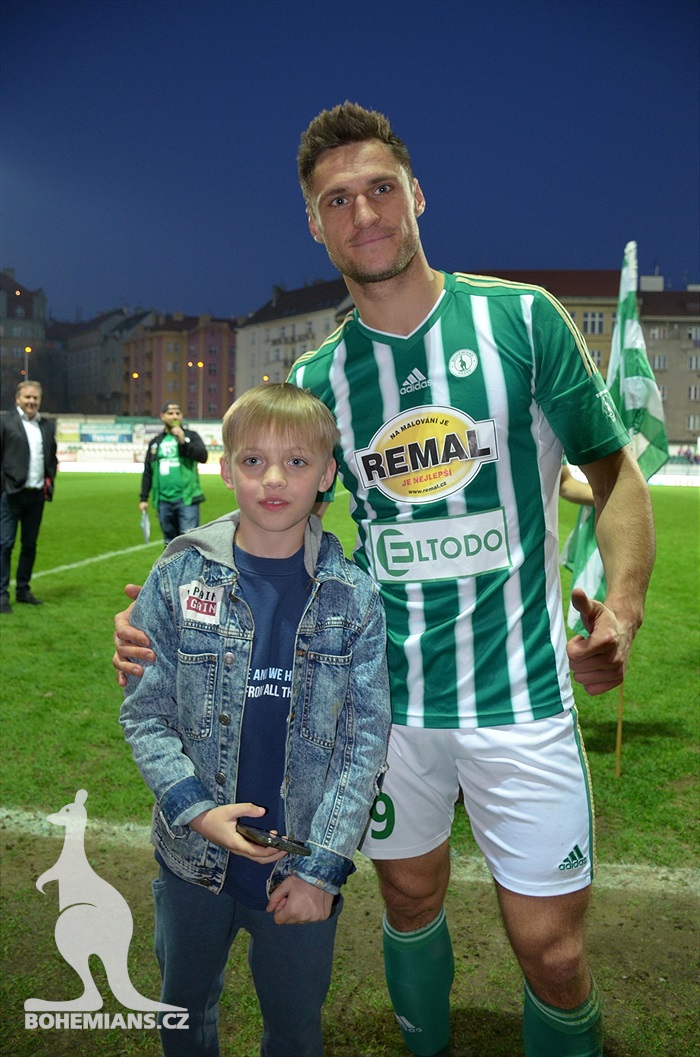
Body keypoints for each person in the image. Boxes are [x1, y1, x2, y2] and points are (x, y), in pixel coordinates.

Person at [115, 103, 656, 1057]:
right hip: (385, 709)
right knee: (407, 899)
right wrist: (170, 605)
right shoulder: (319, 377)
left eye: (379, 189)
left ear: (416, 195)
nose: (363, 212)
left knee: (553, 950)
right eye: (337, 200)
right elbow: (271, 517)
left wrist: (622, 607)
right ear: (315, 225)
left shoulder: (521, 320)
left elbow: (613, 472)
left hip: (522, 696)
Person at [119, 382, 391, 1057]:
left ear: (326, 475)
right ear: (225, 469)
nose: (274, 479)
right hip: (191, 862)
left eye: (296, 462)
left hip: (299, 867)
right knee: (182, 1013)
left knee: (295, 1029)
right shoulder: (178, 578)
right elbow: (146, 715)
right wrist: (196, 811)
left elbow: (363, 744)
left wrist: (322, 869)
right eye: (253, 461)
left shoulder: (354, 597)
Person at [0, 380, 58, 613]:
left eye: (35, 398)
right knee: (4, 545)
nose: (31, 401)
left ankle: (23, 589)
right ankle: (1, 594)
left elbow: (51, 457)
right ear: (18, 399)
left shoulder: (46, 425)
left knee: (29, 545)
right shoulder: (5, 422)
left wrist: (50, 482)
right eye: (27, 397)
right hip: (11, 495)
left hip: (36, 496)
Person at [139, 401, 208, 545]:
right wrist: (143, 498)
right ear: (162, 416)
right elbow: (148, 471)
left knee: (189, 543)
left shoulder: (191, 436)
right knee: (169, 544)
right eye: (170, 413)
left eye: (178, 413)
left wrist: (183, 441)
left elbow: (203, 457)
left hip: (187, 499)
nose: (175, 416)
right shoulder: (156, 442)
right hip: (163, 501)